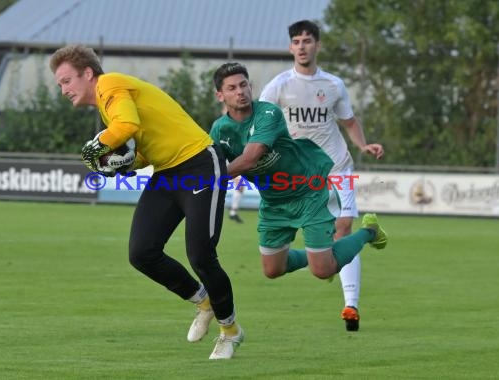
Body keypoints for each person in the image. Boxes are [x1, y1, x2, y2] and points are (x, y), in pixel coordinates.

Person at [49, 45, 243, 360]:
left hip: (199, 163)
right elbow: (139, 150)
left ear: (87, 74)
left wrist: (95, 147)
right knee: (141, 252)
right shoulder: (106, 103)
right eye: (60, 84)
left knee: (201, 255)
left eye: (66, 81)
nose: (63, 90)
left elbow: (126, 128)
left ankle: (230, 331)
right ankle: (204, 301)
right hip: (168, 171)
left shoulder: (109, 83)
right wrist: (121, 165)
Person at [210, 62, 388, 315]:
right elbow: (211, 160)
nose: (240, 91)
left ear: (250, 87)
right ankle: (320, 253)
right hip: (273, 201)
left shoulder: (268, 113)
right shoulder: (219, 129)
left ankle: (369, 231)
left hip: (309, 191)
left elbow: (250, 158)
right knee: (273, 270)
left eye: (243, 85)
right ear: (221, 95)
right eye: (231, 88)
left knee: (322, 270)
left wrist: (212, 180)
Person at [259, 20, 384, 331]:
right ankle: (332, 256)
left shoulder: (333, 85)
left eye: (308, 41)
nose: (302, 46)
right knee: (313, 263)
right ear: (290, 48)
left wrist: (363, 144)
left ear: (317, 46)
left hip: (336, 166)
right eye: (297, 41)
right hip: (299, 175)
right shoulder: (278, 86)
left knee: (343, 227)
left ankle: (350, 305)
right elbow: (259, 124)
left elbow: (349, 121)